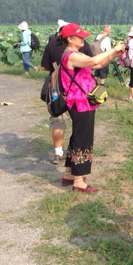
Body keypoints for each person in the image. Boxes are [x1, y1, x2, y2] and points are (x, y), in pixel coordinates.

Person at [58, 23, 125, 193]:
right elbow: (94, 60)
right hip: (79, 103)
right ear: (70, 39)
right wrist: (113, 48)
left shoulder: (77, 54)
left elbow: (97, 65)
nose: (83, 39)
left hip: (84, 102)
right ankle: (79, 181)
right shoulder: (71, 55)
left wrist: (115, 54)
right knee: (83, 139)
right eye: (79, 36)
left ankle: (69, 173)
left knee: (77, 136)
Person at [40, 20, 93, 164]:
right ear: (70, 37)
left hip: (59, 89)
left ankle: (58, 152)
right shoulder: (83, 45)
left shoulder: (51, 45)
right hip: (77, 91)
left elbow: (44, 66)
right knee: (79, 128)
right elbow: (92, 62)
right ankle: (75, 164)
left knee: (58, 120)